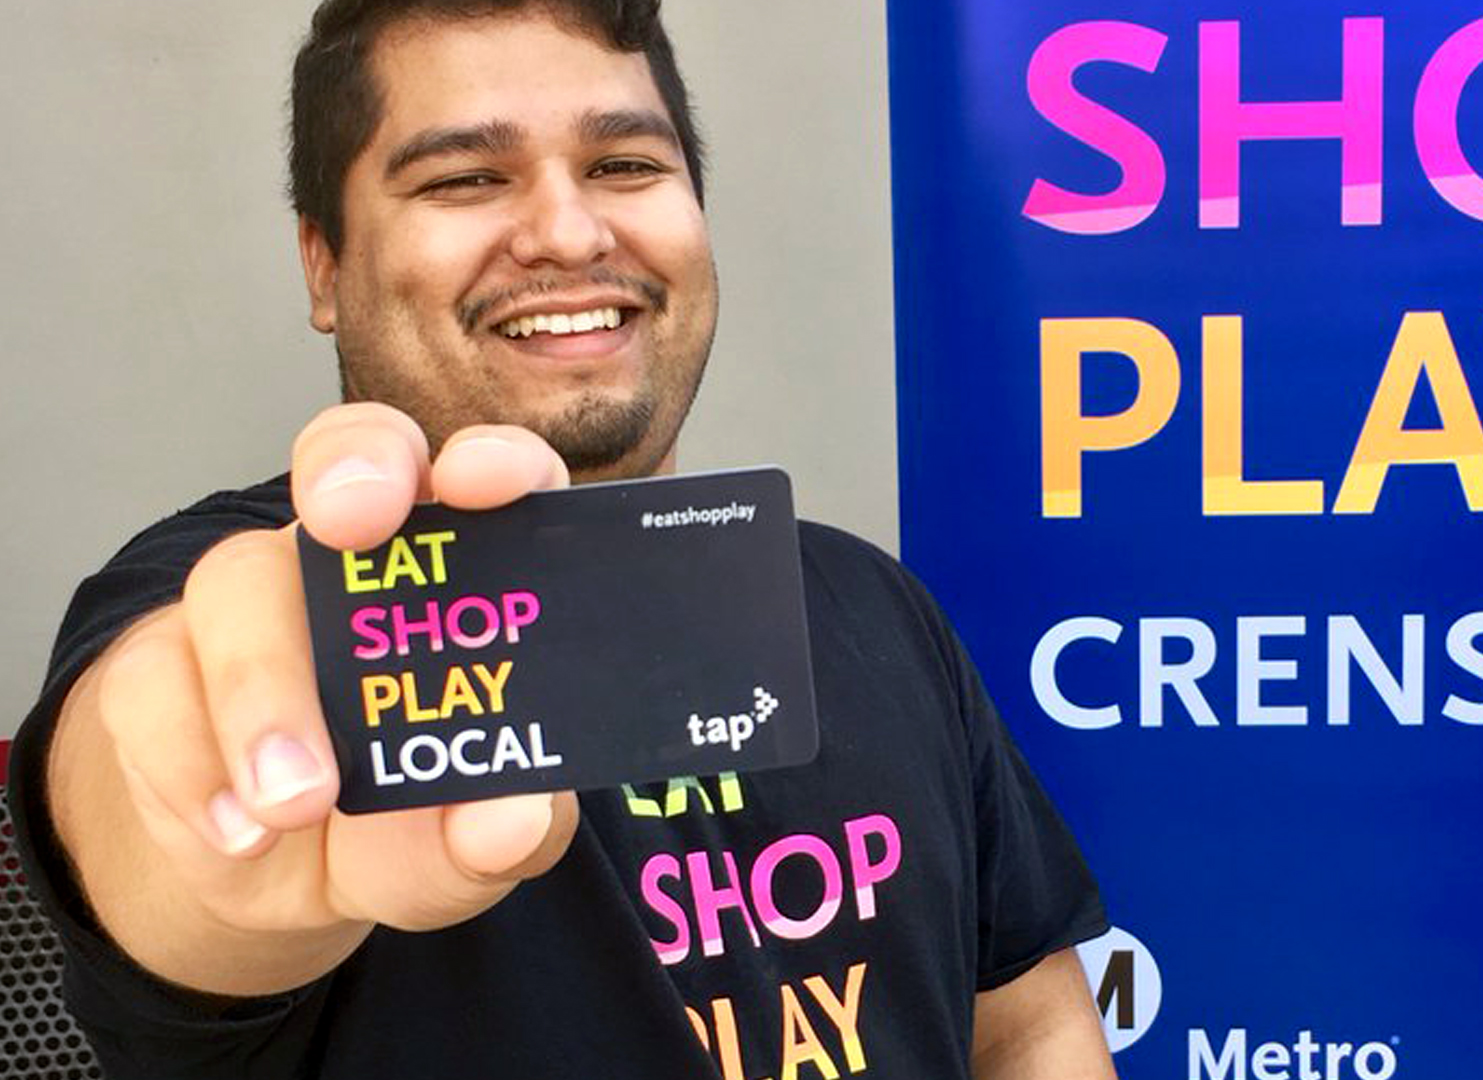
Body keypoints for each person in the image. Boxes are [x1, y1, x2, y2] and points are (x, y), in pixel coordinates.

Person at [4, 1, 1116, 1076]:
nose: (571, 233)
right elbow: (146, 802)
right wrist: (226, 831)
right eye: (464, 178)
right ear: (324, 265)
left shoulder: (870, 601)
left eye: (624, 165)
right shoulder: (237, 595)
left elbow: (1025, 1027)